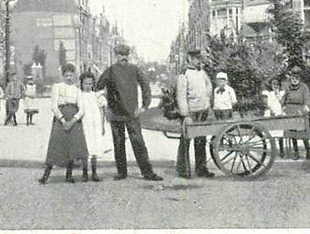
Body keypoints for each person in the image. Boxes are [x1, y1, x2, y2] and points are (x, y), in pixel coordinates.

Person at [96, 43, 162, 181]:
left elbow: (145, 86)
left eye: (126, 55)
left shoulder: (134, 69)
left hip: (132, 113)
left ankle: (148, 173)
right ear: (116, 56)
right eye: (121, 55)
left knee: (138, 143)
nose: (124, 58)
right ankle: (121, 173)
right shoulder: (110, 71)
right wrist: (106, 100)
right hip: (115, 114)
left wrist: (144, 106)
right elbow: (98, 86)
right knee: (119, 144)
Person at [39, 63, 88, 184]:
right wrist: (62, 120)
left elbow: (82, 109)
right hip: (60, 118)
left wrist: (72, 121)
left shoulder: (77, 90)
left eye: (71, 75)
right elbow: (54, 106)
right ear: (63, 76)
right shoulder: (57, 87)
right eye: (66, 75)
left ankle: (69, 174)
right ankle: (46, 174)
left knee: (71, 146)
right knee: (55, 145)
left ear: (74, 76)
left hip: (73, 119)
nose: (69, 78)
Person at [175, 49, 214, 178]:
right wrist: (185, 115)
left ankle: (201, 169)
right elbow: (181, 96)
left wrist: (206, 100)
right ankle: (183, 170)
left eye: (200, 58)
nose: (199, 61)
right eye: (197, 59)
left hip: (203, 110)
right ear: (190, 59)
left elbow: (209, 86)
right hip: (191, 112)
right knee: (186, 141)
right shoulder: (184, 74)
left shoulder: (202, 72)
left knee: (201, 140)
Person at [282, 66, 310, 161]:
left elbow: (307, 99)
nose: (294, 80)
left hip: (301, 111)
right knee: (292, 131)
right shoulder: (288, 88)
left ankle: (309, 152)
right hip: (290, 110)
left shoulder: (304, 87)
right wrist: (283, 104)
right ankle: (296, 152)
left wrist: (306, 106)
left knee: (303, 130)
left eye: (296, 78)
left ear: (299, 79)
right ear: (290, 79)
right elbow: (283, 98)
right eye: (292, 78)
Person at [79, 70, 108, 181]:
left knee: (95, 148)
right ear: (81, 83)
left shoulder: (96, 96)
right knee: (85, 148)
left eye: (90, 84)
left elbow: (102, 111)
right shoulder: (80, 96)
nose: (88, 86)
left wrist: (102, 125)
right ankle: (85, 172)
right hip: (85, 124)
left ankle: (94, 172)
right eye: (85, 83)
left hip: (95, 124)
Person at [261, 78, 286, 158]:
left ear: (279, 85)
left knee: (280, 132)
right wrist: (271, 110)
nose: (275, 86)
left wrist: (278, 94)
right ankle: (273, 149)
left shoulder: (282, 93)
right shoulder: (269, 93)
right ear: (271, 86)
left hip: (279, 112)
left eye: (277, 85)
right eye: (273, 85)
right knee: (271, 132)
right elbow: (266, 104)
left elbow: (282, 103)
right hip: (271, 112)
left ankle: (281, 149)